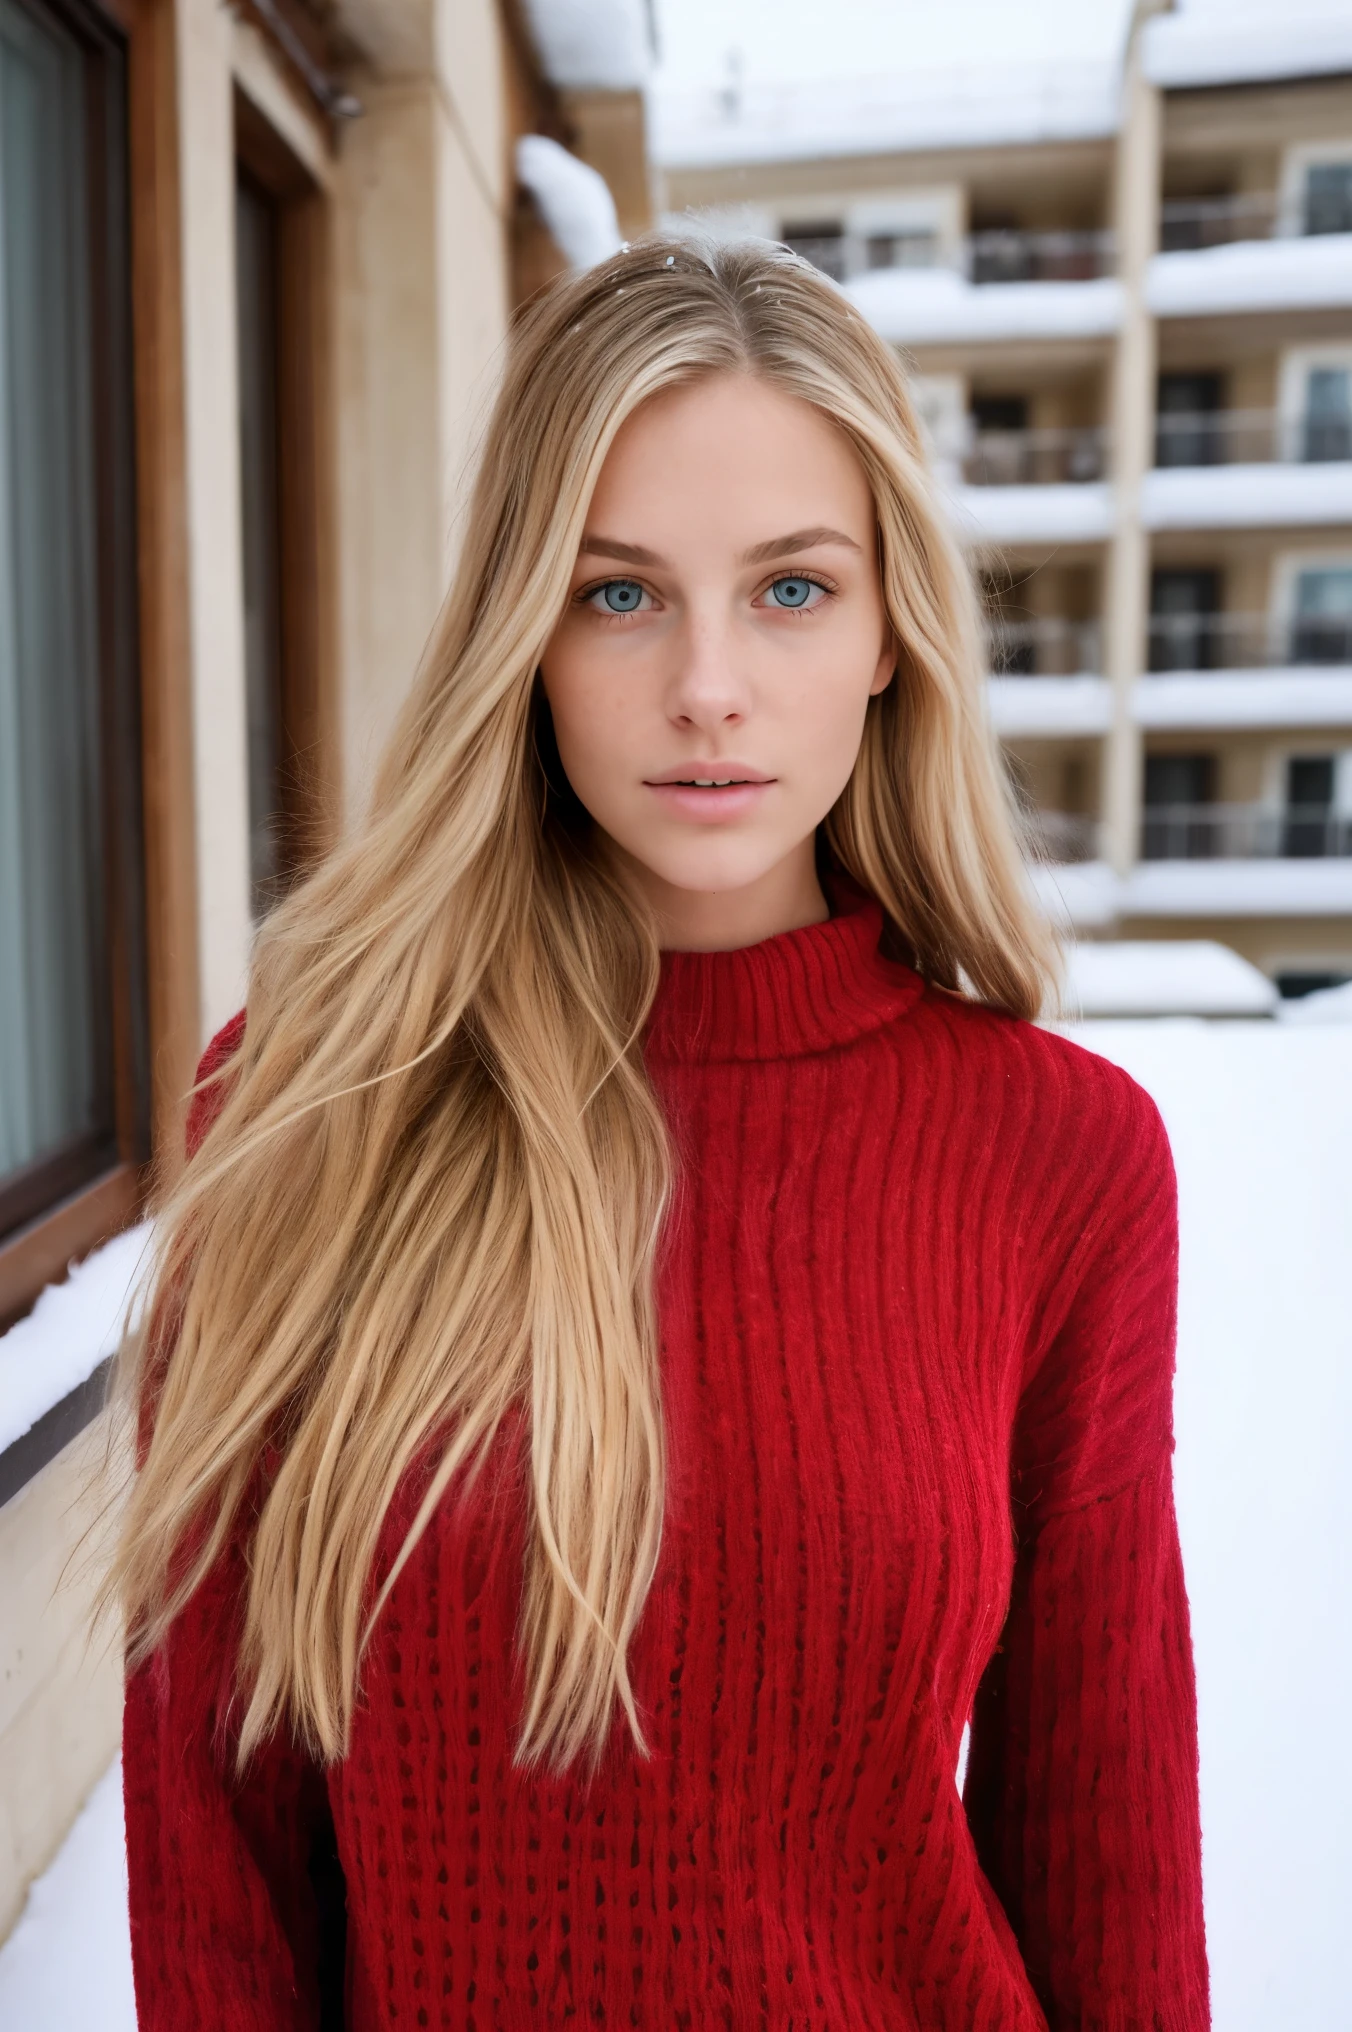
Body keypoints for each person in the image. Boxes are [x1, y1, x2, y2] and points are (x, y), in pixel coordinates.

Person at [113, 237, 1209, 2030]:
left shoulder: (1058, 1160)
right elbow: (215, 1832)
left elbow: (1103, 1835)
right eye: (620, 594)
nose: (709, 685)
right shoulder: (307, 1109)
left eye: (791, 590)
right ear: (522, 635)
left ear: (886, 639)